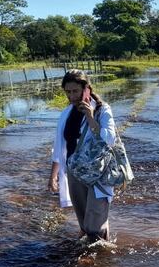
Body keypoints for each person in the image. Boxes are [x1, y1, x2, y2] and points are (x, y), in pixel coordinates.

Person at [49, 69, 117, 242]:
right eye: (68, 92)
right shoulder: (66, 113)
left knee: (94, 225)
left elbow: (110, 139)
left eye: (75, 91)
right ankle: (94, 258)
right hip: (74, 172)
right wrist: (53, 175)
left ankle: (101, 261)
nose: (72, 96)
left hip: (97, 174)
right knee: (84, 225)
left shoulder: (102, 110)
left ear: (86, 89)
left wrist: (91, 117)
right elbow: (59, 146)